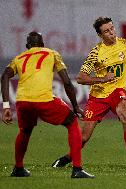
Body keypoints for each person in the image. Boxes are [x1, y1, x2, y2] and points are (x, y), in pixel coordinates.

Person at [51, 17, 126, 170]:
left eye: (112, 28)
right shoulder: (96, 53)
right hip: (98, 97)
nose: (112, 33)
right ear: (100, 35)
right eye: (107, 31)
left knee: (125, 113)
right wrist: (102, 79)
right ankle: (67, 158)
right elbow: (81, 78)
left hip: (117, 91)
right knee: (84, 137)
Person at [1, 32, 95, 178]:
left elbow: (5, 75)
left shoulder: (19, 58)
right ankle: (77, 169)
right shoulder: (52, 54)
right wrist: (75, 107)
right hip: (43, 99)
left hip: (22, 101)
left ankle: (18, 168)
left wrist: (6, 106)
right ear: (43, 44)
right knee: (71, 121)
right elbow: (67, 82)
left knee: (25, 131)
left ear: (27, 46)